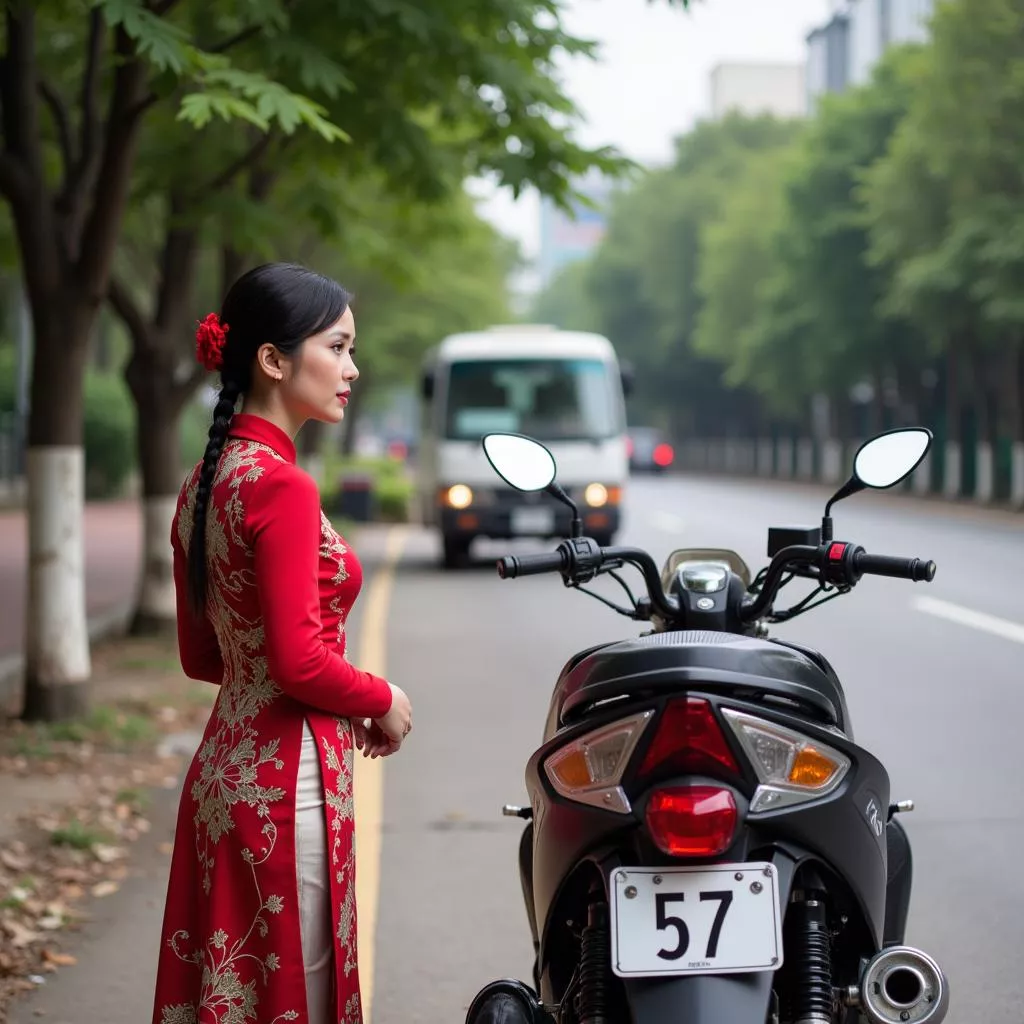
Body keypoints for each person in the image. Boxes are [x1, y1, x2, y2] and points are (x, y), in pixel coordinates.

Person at [151, 263, 413, 1024]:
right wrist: (381, 698)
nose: (352, 369)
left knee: (233, 998)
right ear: (273, 359)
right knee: (292, 996)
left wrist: (301, 687)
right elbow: (299, 663)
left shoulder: (205, 480)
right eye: (338, 347)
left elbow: (205, 658)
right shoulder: (283, 487)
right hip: (286, 788)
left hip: (222, 779)